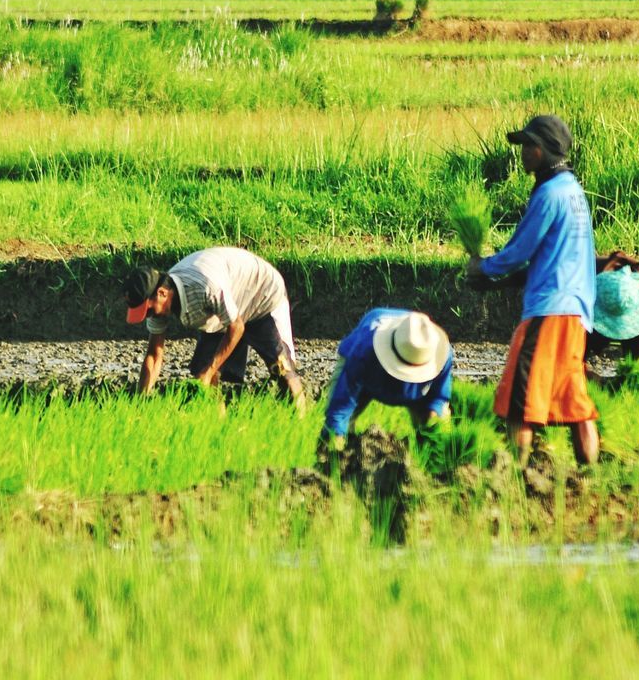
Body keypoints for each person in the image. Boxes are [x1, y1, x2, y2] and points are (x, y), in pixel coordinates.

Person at [469, 114, 599, 467]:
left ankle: (517, 475)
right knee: (574, 399)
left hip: (549, 309)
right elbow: (556, 256)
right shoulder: (574, 192)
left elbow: (520, 250)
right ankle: (590, 474)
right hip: (576, 309)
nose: (523, 152)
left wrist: (483, 268)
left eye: (528, 145)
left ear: (543, 150)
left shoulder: (549, 194)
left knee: (520, 397)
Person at [124, 247, 305, 408]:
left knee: (281, 369)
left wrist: (209, 372)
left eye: (148, 310)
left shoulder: (205, 287)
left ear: (162, 293)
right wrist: (141, 402)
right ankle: (219, 428)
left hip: (260, 293)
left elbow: (237, 326)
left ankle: (301, 422)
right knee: (202, 377)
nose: (149, 316)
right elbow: (154, 355)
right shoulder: (159, 305)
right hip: (224, 309)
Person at [318, 309, 453, 455]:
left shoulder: (440, 354)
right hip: (370, 376)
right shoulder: (363, 352)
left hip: (416, 393)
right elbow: (340, 409)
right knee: (335, 439)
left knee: (439, 432)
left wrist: (431, 428)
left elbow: (438, 398)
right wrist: (335, 449)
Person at [587, 251, 639, 382]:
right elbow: (569, 351)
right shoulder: (581, 282)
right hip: (588, 317)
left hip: (638, 333)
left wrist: (633, 372)